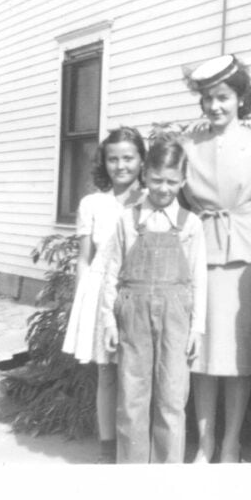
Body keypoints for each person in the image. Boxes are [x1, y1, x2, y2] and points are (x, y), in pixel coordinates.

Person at [180, 54, 251, 463]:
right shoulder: (188, 147)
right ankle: (205, 443)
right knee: (204, 355)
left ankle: (231, 443)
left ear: (240, 97)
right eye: (207, 99)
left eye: (223, 97)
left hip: (246, 260)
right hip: (200, 258)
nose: (215, 107)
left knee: (239, 358)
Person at [98, 135, 207, 463]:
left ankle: (166, 480)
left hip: (176, 317)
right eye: (157, 180)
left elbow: (199, 279)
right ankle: (132, 479)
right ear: (144, 175)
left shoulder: (191, 225)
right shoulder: (128, 221)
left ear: (183, 181)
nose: (163, 188)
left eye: (172, 182)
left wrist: (196, 328)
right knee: (132, 399)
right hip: (133, 315)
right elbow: (111, 273)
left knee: (172, 399)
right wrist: (108, 321)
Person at [61, 127, 145, 463]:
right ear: (104, 163)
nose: (121, 165)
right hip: (101, 293)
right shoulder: (93, 203)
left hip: (138, 290)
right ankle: (108, 449)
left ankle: (138, 445)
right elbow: (84, 259)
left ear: (141, 159)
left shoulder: (153, 198)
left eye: (128, 158)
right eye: (113, 159)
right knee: (107, 373)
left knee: (138, 371)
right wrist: (82, 305)